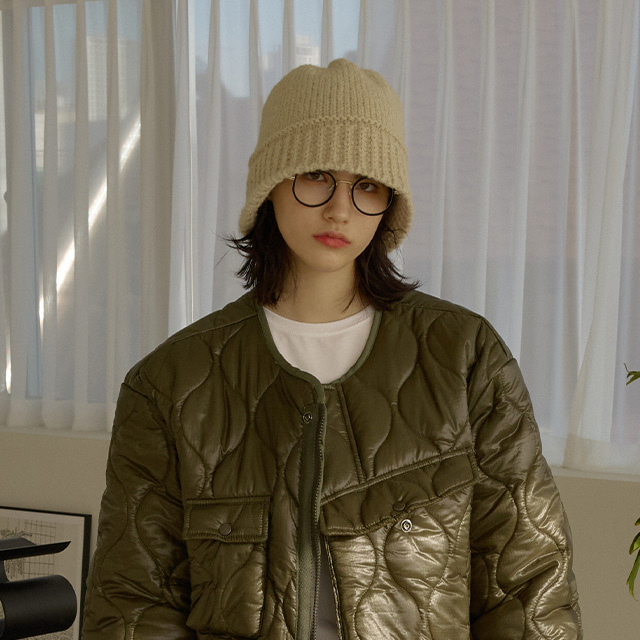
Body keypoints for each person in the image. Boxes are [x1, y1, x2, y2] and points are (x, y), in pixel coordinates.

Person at [82, 59, 582, 640]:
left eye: (366, 185)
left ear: (389, 204)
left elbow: (530, 588)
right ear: (271, 184)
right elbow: (134, 607)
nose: (340, 209)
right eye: (316, 175)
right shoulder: (169, 382)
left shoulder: (465, 356)